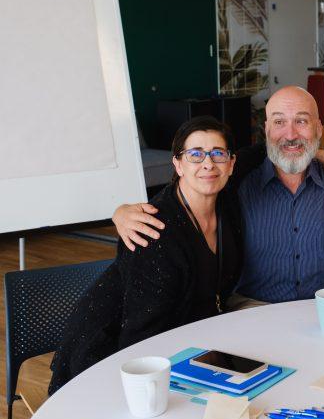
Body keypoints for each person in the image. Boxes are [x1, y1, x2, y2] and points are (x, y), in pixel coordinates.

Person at [113, 86, 324, 307]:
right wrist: (123, 211)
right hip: (251, 309)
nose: (290, 133)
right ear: (266, 130)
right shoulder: (236, 181)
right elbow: (187, 189)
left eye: (302, 121)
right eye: (279, 122)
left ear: (319, 129)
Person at [50, 117, 241, 393]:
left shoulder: (227, 204)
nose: (208, 163)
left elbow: (267, 151)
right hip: (111, 361)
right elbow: (139, 338)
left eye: (218, 153)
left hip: (184, 344)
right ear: (178, 164)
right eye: (195, 154)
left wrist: (320, 154)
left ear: (232, 163)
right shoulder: (153, 230)